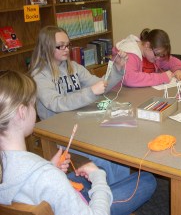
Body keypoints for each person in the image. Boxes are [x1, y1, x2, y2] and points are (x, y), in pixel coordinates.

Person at [0, 70, 156, 215]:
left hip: (56, 199)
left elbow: (32, 184)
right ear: (22, 112)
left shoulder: (20, 167)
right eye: (32, 105)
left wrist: (50, 166)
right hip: (85, 209)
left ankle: (106, 190)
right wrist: (98, 177)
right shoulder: (47, 176)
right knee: (147, 179)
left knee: (99, 167)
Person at [28, 26, 155, 192]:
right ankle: (115, 193)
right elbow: (56, 103)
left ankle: (117, 190)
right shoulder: (39, 75)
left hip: (79, 123)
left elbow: (101, 84)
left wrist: (116, 68)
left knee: (116, 143)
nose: (67, 49)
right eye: (61, 46)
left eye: (68, 44)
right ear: (46, 47)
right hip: (59, 131)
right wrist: (89, 92)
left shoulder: (72, 66)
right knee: (103, 153)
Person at [113, 28, 181, 87]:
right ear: (147, 45)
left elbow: (172, 60)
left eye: (161, 55)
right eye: (157, 54)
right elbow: (130, 79)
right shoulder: (129, 54)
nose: (158, 58)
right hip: (122, 96)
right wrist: (161, 78)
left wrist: (178, 70)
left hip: (141, 92)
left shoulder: (152, 54)